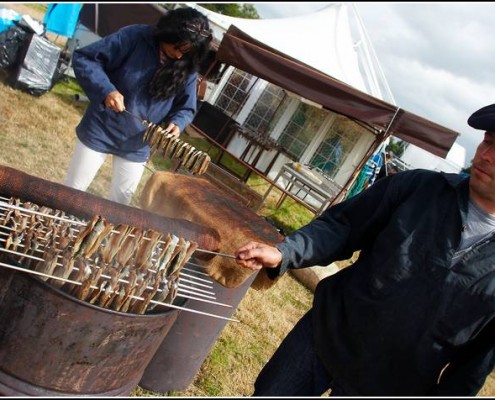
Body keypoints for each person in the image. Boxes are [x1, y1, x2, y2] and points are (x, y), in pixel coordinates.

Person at [234, 103, 495, 396]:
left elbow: (476, 363)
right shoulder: (419, 187)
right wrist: (287, 251)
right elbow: (342, 226)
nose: (485, 155)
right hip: (326, 336)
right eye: (488, 140)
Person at [63, 7, 212, 205]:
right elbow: (86, 59)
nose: (177, 56)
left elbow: (186, 108)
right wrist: (107, 90)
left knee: (121, 203)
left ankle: (102, 235)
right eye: (175, 47)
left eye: (184, 52)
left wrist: (178, 122)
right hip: (101, 127)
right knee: (71, 190)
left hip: (138, 143)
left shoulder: (187, 65)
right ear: (166, 32)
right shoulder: (135, 36)